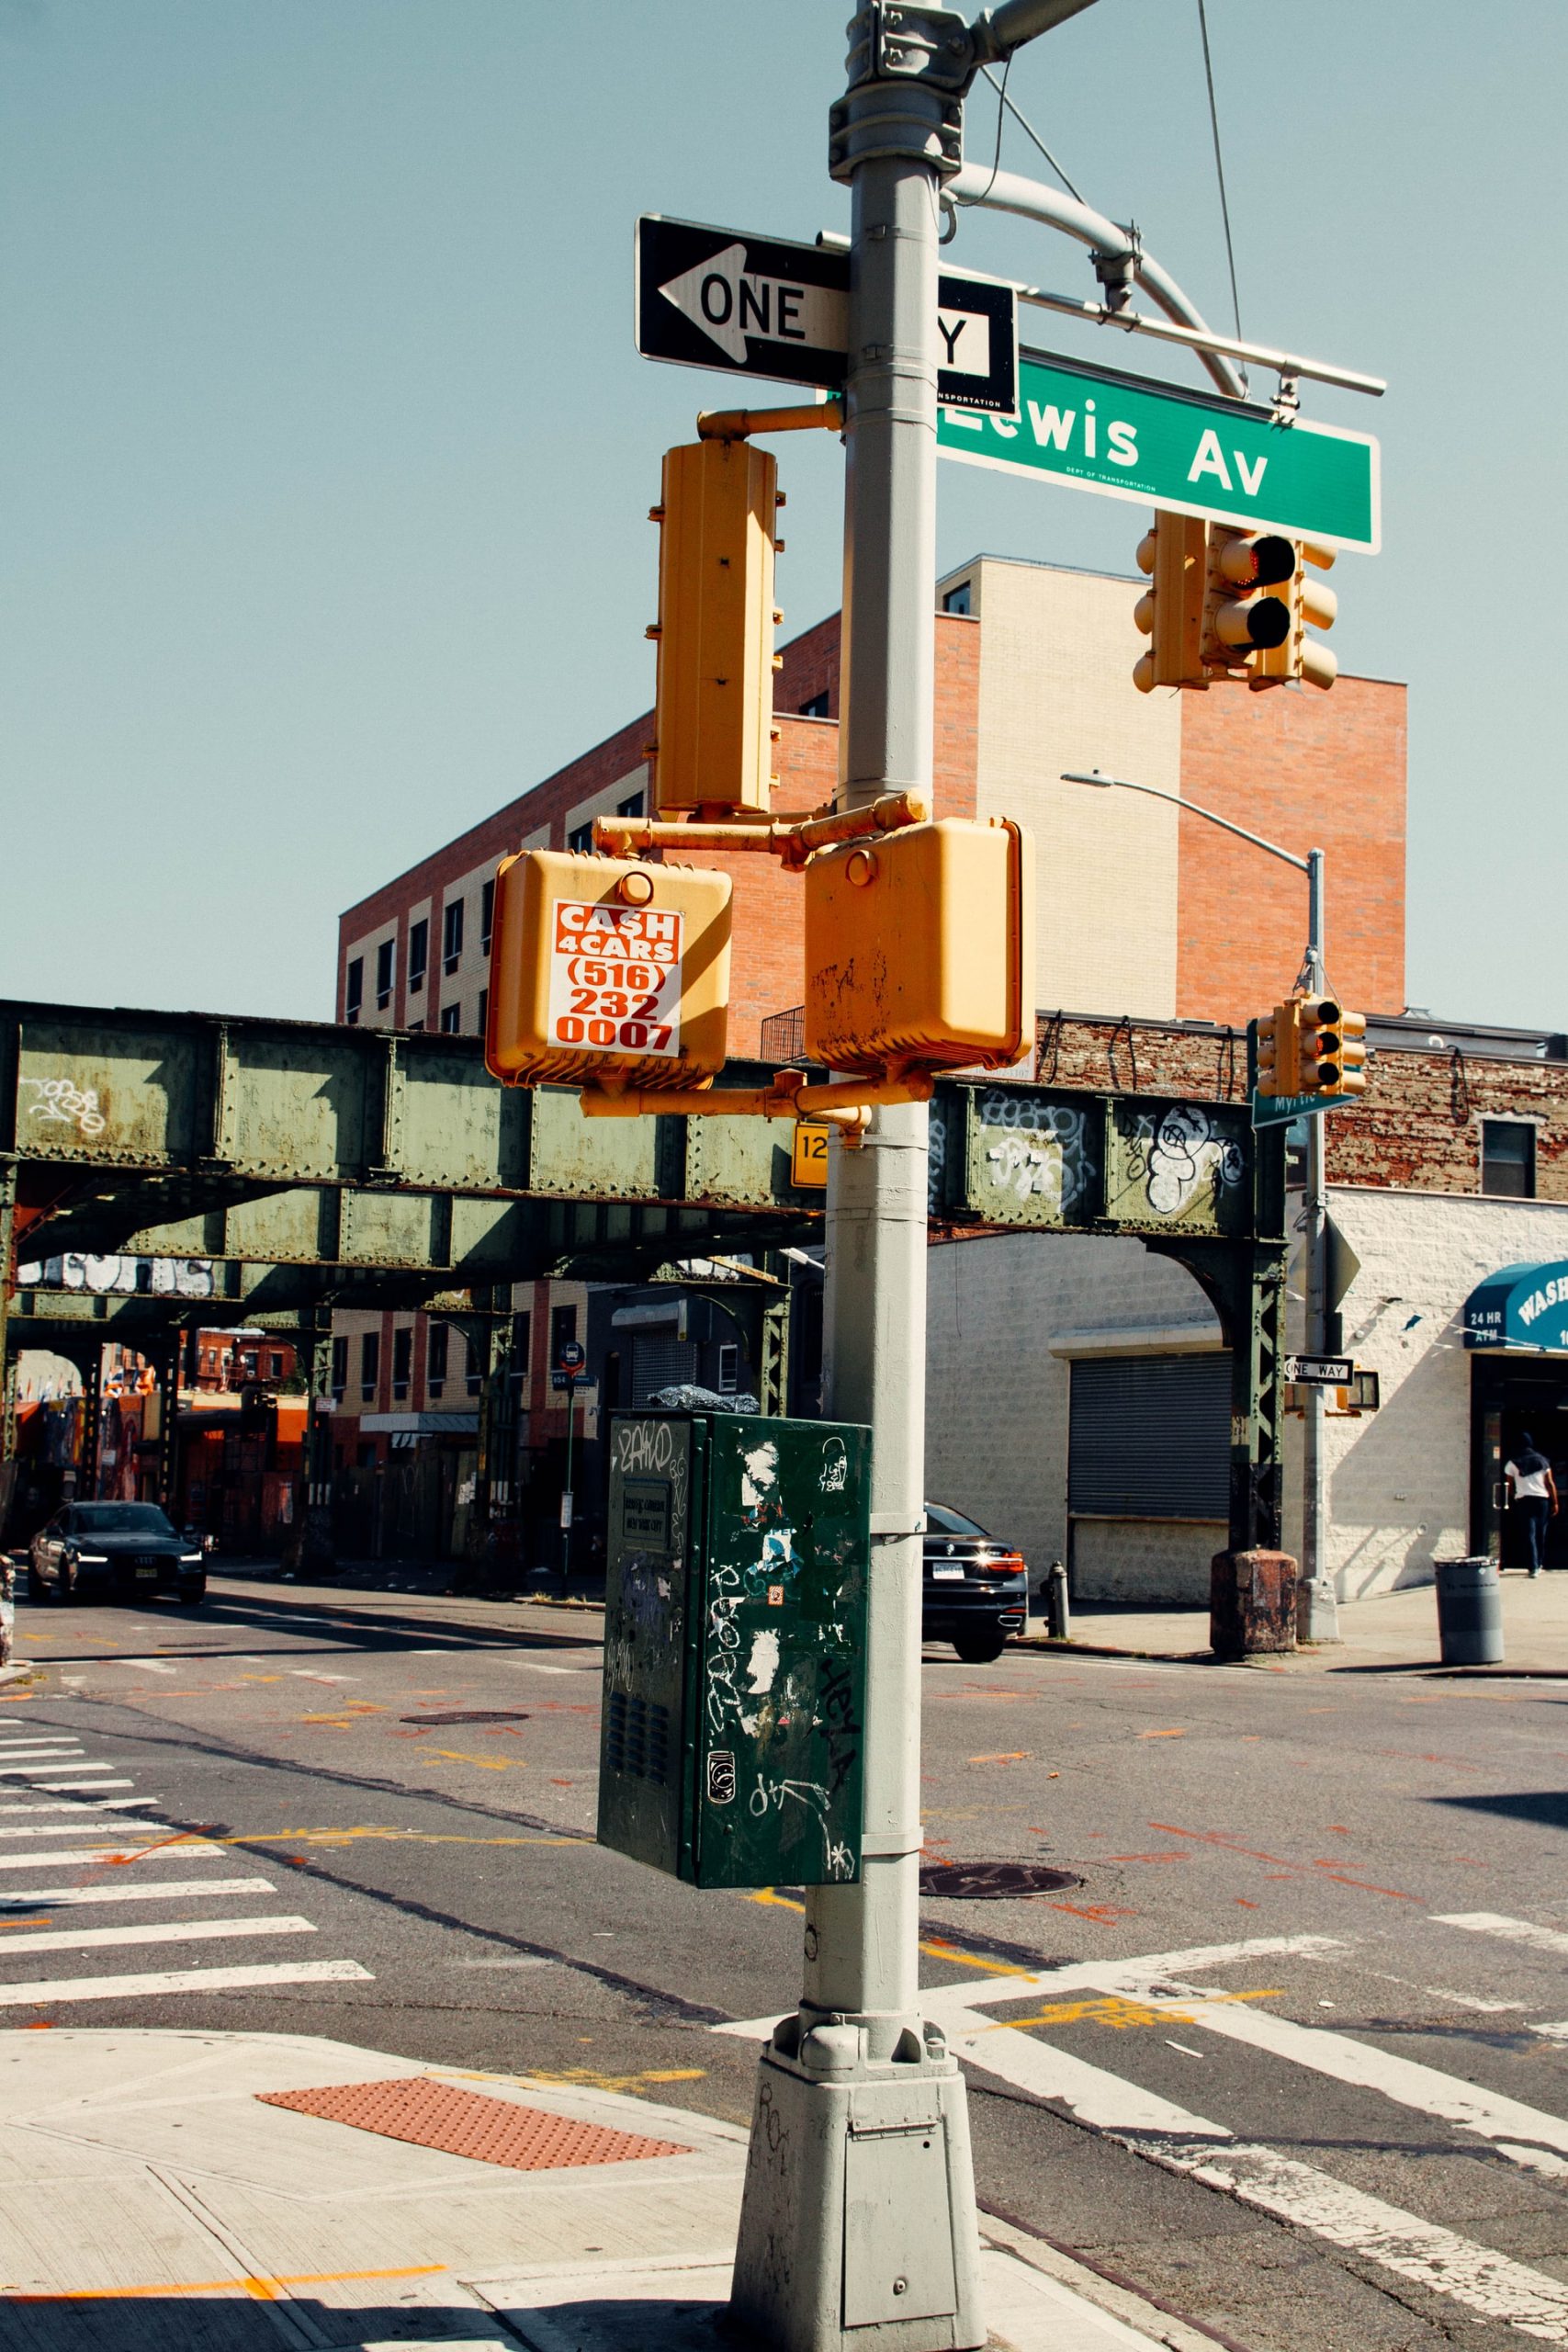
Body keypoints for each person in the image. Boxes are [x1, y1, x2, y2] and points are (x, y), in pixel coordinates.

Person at [1505, 1433, 1558, 1577]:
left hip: (1524, 1500)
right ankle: (1539, 1563)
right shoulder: (1543, 1461)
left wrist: (1513, 1497)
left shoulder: (1512, 1463)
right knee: (1541, 1533)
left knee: (1529, 1534)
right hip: (1542, 1501)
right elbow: (1550, 1483)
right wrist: (1555, 1502)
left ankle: (1532, 1567)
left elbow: (1509, 1485)